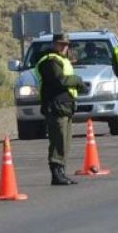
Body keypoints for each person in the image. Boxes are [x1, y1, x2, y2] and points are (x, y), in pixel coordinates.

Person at [35, 33, 85, 185]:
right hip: (56, 106)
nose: (64, 47)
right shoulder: (50, 61)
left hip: (65, 106)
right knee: (58, 140)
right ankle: (56, 173)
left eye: (66, 44)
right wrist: (78, 80)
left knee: (65, 141)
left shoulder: (62, 60)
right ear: (54, 44)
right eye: (61, 44)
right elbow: (60, 80)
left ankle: (61, 172)